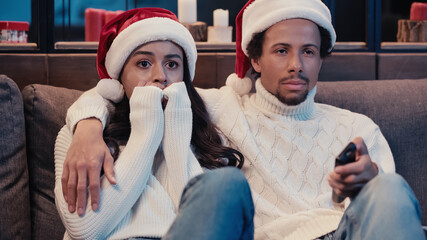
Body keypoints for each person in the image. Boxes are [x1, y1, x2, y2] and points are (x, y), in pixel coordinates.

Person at [62, 0, 426, 239]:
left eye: (309, 52)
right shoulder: (223, 106)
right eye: (281, 51)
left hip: (341, 232)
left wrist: (368, 181)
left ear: (321, 58)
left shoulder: (359, 127)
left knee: (389, 188)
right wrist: (87, 126)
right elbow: (133, 96)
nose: (296, 64)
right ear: (254, 60)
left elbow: (386, 215)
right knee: (224, 185)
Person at [54, 8, 255, 240]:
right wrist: (146, 131)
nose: (161, 75)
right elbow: (84, 230)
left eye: (172, 64)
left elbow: (201, 222)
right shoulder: (82, 136)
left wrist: (175, 132)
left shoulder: (205, 134)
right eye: (144, 63)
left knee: (229, 184)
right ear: (119, 76)